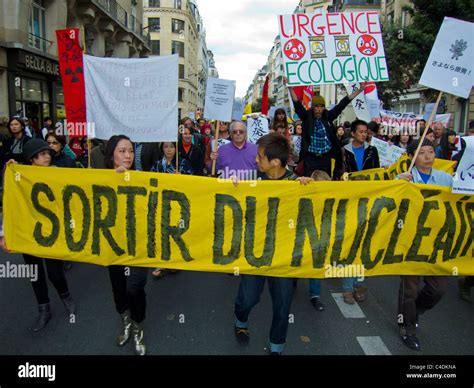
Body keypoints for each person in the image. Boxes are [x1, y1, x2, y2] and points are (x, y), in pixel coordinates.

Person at [233, 132, 313, 355]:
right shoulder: (252, 180)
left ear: (275, 162)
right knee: (248, 298)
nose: (255, 160)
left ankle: (277, 346)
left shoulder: (297, 183)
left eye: (259, 157)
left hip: (284, 256)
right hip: (256, 252)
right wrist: (232, 187)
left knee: (283, 304)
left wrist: (312, 187)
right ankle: (240, 321)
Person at [0, 139, 76, 331]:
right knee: (35, 273)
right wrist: (9, 171)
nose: (47, 157)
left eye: (48, 153)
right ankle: (44, 309)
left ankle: (65, 296)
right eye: (42, 154)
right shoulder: (20, 176)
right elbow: (10, 203)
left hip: (52, 233)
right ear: (31, 158)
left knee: (55, 272)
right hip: (28, 233)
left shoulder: (57, 172)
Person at [396, 139, 453, 351]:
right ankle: (406, 326)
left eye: (431, 152)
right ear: (412, 156)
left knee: (438, 289)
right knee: (409, 289)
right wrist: (398, 183)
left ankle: (416, 310)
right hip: (411, 241)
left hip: (438, 242)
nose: (428, 156)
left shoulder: (446, 179)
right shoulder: (404, 180)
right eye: (422, 153)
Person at [104, 135, 148, 355]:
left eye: (130, 150)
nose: (128, 155)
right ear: (111, 153)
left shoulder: (142, 177)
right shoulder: (99, 178)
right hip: (113, 245)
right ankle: (126, 323)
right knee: (119, 288)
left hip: (139, 245)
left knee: (135, 287)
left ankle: (138, 327)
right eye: (122, 151)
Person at [287, 78, 366, 178]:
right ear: (312, 107)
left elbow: (342, 104)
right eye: (317, 106)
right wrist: (290, 87)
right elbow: (297, 103)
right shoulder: (307, 117)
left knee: (325, 183)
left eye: (322, 106)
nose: (319, 109)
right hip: (310, 159)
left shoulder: (328, 116)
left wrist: (359, 90)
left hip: (325, 159)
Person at [150, 141, 193, 278]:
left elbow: (193, 182)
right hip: (162, 202)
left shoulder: (183, 163)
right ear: (162, 148)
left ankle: (175, 261)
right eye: (166, 146)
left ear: (176, 148)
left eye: (172, 146)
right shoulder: (157, 164)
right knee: (161, 231)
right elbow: (150, 181)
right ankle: (161, 263)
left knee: (176, 231)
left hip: (178, 203)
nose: (169, 149)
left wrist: (182, 178)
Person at [306, 169, 331, 311]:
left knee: (316, 264)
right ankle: (293, 280)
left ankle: (315, 295)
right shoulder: (305, 194)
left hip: (319, 237)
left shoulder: (330, 198)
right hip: (304, 233)